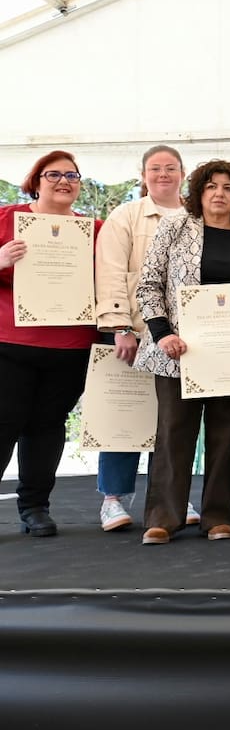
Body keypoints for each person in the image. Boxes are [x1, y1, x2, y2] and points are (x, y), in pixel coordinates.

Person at [136, 160, 230, 544]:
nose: (219, 193)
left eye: (227, 187)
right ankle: (163, 518)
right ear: (199, 193)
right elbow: (149, 283)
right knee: (174, 434)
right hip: (177, 352)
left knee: (226, 436)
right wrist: (162, 334)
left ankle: (218, 516)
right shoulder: (173, 227)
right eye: (211, 187)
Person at [93, 144, 203, 531]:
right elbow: (109, 273)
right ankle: (113, 499)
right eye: (155, 169)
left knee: (173, 424)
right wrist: (120, 328)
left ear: (183, 173)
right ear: (143, 175)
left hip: (183, 341)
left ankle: (174, 496)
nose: (163, 175)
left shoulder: (199, 216)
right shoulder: (124, 216)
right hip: (135, 334)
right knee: (124, 418)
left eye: (170, 168)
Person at [0, 151, 102, 537]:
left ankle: (34, 508)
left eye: (72, 175)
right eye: (54, 174)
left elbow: (110, 281)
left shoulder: (96, 229)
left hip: (70, 345)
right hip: (10, 343)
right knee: (2, 424)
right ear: (36, 180)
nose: (64, 181)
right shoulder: (6, 218)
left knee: (46, 426)